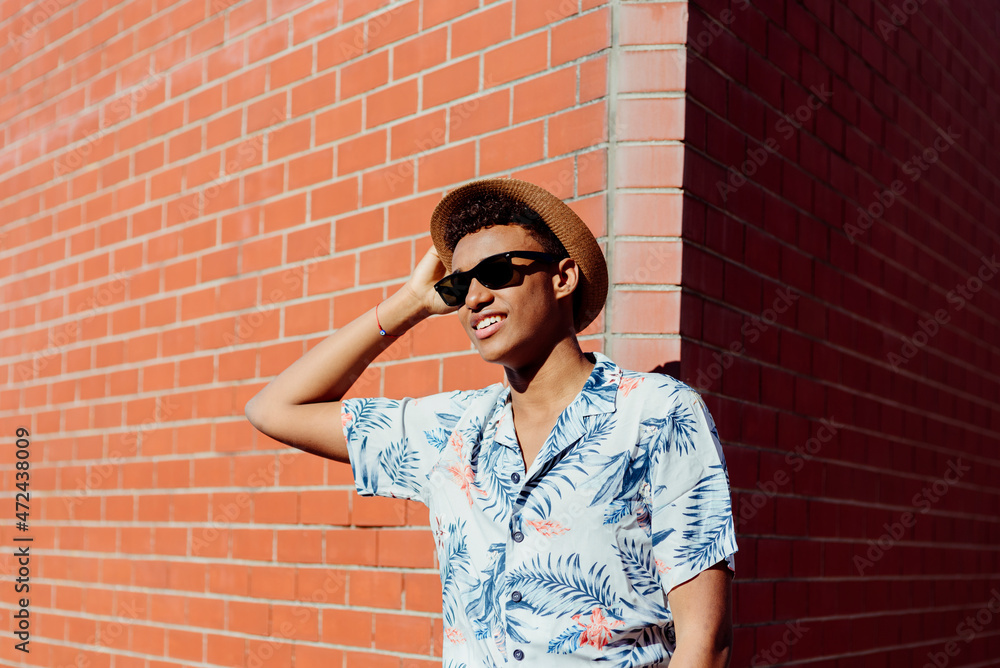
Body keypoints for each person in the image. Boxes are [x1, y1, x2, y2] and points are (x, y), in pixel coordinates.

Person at [244, 177, 739, 667]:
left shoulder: (656, 413)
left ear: (562, 277)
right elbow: (275, 410)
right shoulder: (450, 430)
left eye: (499, 271)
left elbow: (704, 641)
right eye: (460, 285)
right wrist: (411, 303)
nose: (475, 298)